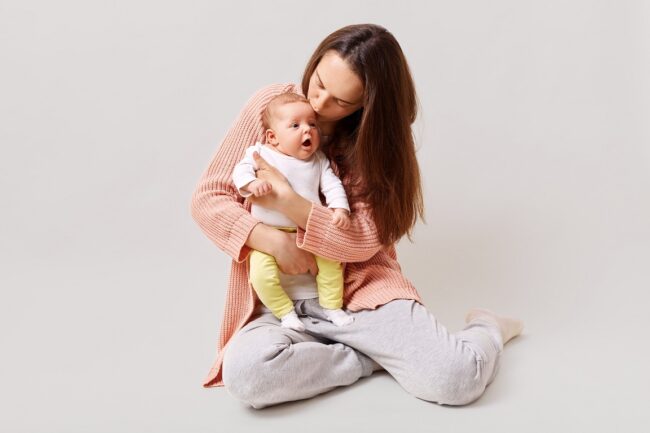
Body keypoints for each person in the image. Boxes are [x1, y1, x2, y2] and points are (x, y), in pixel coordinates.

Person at [191, 23, 524, 409]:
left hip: (362, 295)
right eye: (318, 82)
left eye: (340, 101)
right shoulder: (272, 105)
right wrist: (272, 241)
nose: (317, 105)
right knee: (247, 376)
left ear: (366, 105)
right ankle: (371, 357)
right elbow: (209, 196)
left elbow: (365, 237)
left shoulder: (376, 144)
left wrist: (290, 204)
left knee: (455, 380)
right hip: (280, 302)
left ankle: (488, 326)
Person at [232, 91, 354, 331]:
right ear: (273, 137)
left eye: (312, 124)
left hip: (308, 232)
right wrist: (252, 184)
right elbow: (240, 172)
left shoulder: (318, 160)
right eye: (295, 125)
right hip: (267, 236)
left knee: (332, 265)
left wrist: (340, 208)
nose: (307, 130)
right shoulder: (260, 153)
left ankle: (331, 306)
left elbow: (332, 185)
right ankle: (285, 312)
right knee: (260, 277)